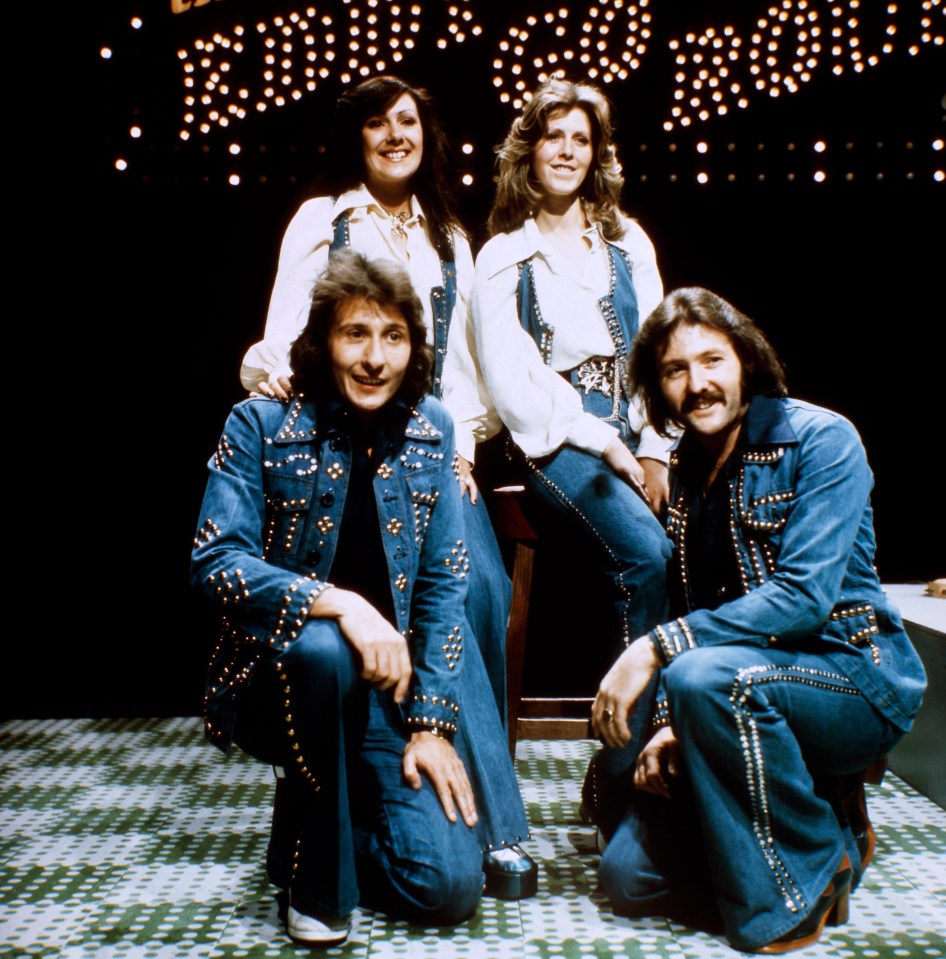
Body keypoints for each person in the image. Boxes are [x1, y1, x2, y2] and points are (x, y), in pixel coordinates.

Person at [192, 252, 534, 948]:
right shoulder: (260, 422)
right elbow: (215, 562)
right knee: (324, 648)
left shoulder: (431, 429)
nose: (375, 357)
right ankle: (317, 884)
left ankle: (318, 818)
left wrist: (432, 726)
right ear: (322, 342)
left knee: (447, 886)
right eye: (355, 334)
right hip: (278, 680)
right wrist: (339, 602)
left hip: (387, 693)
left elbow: (444, 589)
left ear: (414, 347)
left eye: (393, 336)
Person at [591, 287, 926, 953]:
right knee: (626, 875)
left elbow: (802, 596)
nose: (698, 383)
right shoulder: (688, 464)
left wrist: (655, 651)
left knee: (706, 678)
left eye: (712, 359)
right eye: (675, 370)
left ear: (745, 358)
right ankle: (820, 812)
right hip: (735, 686)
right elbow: (695, 607)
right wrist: (669, 725)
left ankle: (803, 878)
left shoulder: (822, 438)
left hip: (854, 677)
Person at [240, 74, 511, 720]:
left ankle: (469, 762)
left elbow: (462, 365)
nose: (396, 135)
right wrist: (277, 374)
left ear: (428, 136)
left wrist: (462, 449)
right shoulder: (323, 219)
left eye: (408, 121)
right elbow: (281, 334)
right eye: (378, 123)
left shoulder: (447, 238)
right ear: (356, 138)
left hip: (425, 441)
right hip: (341, 442)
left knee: (478, 586)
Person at [470, 78, 673, 682]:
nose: (565, 150)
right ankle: (629, 747)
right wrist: (604, 442)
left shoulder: (628, 243)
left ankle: (692, 730)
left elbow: (660, 353)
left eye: (580, 139)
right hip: (557, 441)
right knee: (649, 557)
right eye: (553, 136)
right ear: (529, 150)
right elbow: (513, 385)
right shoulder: (504, 256)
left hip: (639, 427)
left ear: (596, 154)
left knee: (711, 548)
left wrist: (657, 447)